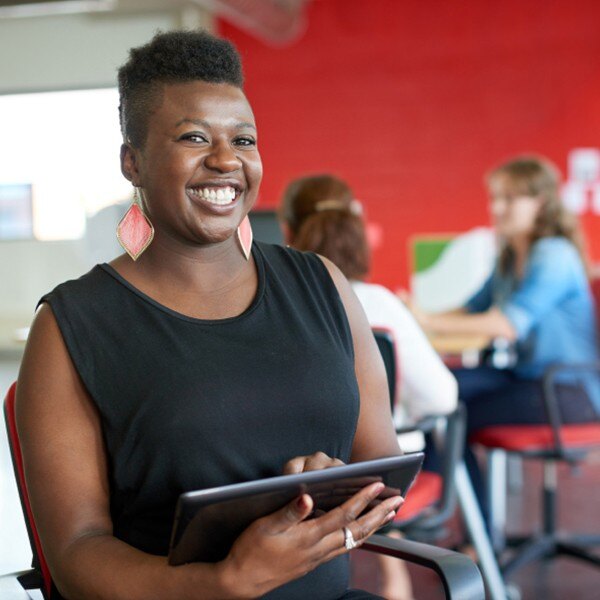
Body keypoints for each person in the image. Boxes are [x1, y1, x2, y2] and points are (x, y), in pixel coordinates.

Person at [15, 31, 404, 600]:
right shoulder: (71, 325)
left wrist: (330, 486)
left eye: (243, 139)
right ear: (134, 162)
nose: (226, 160)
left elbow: (382, 464)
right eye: (194, 137)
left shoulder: (322, 284)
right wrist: (225, 581)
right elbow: (75, 555)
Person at [279, 174, 458, 600]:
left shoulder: (280, 310)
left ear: (287, 232)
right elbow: (443, 397)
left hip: (297, 477)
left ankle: (391, 570)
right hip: (382, 474)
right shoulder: (380, 303)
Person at [410, 155, 600, 518]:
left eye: (510, 199)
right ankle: (442, 513)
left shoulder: (554, 255)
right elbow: (471, 310)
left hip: (567, 392)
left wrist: (424, 318)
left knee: (451, 414)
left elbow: (505, 325)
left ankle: (468, 531)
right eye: (495, 197)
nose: (497, 207)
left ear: (540, 203)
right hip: (529, 378)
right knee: (437, 389)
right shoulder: (511, 256)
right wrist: (416, 316)